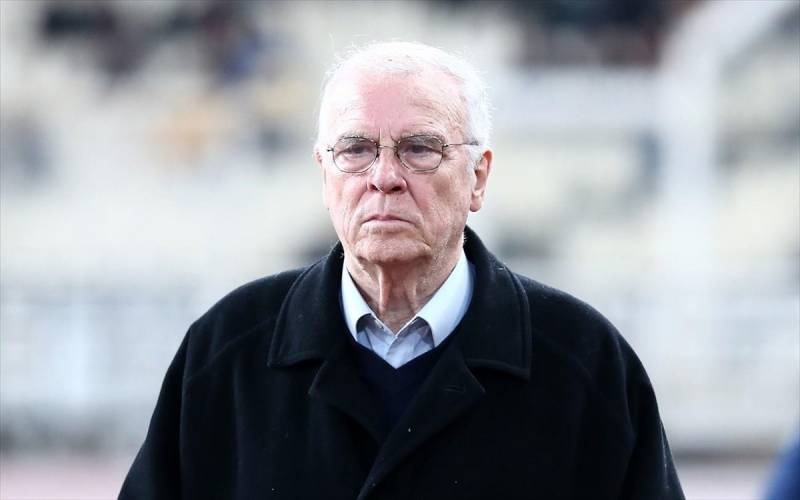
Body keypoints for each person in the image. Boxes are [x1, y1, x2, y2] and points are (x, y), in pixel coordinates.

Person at [119, 41, 685, 499]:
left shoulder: (585, 363)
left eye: (419, 148)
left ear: (478, 178)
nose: (384, 177)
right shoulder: (227, 353)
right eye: (355, 149)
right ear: (324, 176)